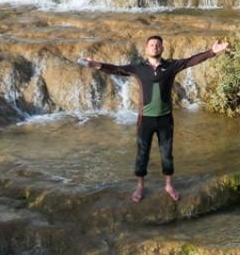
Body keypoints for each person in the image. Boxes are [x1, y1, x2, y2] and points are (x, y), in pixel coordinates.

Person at [80, 36, 229, 203]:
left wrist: (212, 52)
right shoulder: (138, 68)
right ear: (146, 49)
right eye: (151, 45)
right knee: (142, 153)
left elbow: (190, 61)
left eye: (158, 45)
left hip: (165, 119)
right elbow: (116, 69)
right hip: (145, 120)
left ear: (162, 49)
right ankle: (140, 186)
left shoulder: (171, 66)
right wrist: (98, 65)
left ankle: (168, 185)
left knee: (167, 154)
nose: (155, 47)